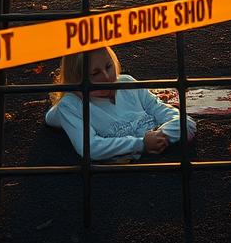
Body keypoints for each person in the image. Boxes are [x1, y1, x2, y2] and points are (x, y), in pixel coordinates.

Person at [45, 45, 197, 161]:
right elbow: (90, 147)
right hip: (69, 104)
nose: (106, 77)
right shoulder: (71, 105)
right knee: (59, 111)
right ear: (76, 78)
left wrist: (158, 137)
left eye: (109, 66)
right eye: (95, 73)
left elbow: (186, 123)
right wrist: (141, 144)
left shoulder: (127, 82)